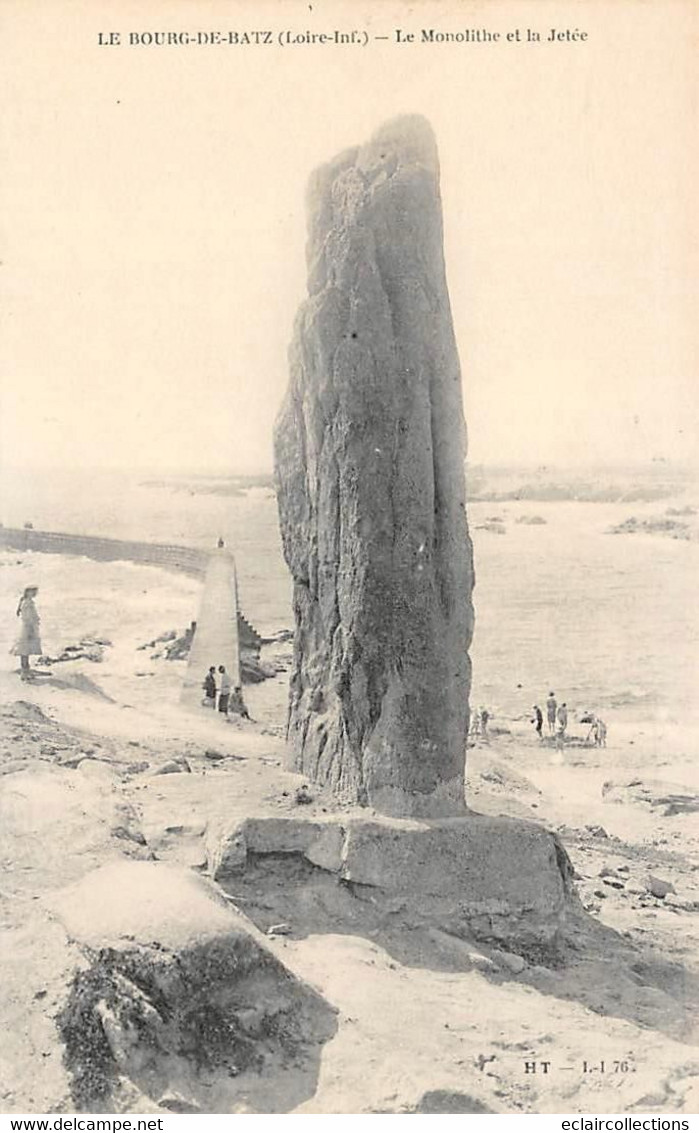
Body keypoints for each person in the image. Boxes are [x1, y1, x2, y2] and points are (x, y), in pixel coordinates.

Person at [11, 586, 42, 679]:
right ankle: (24, 672)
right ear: (28, 592)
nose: (35, 593)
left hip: (28, 628)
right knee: (24, 650)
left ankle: (26, 670)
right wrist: (32, 627)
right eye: (33, 591)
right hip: (27, 628)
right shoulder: (27, 603)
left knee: (26, 650)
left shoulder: (29, 602)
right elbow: (27, 617)